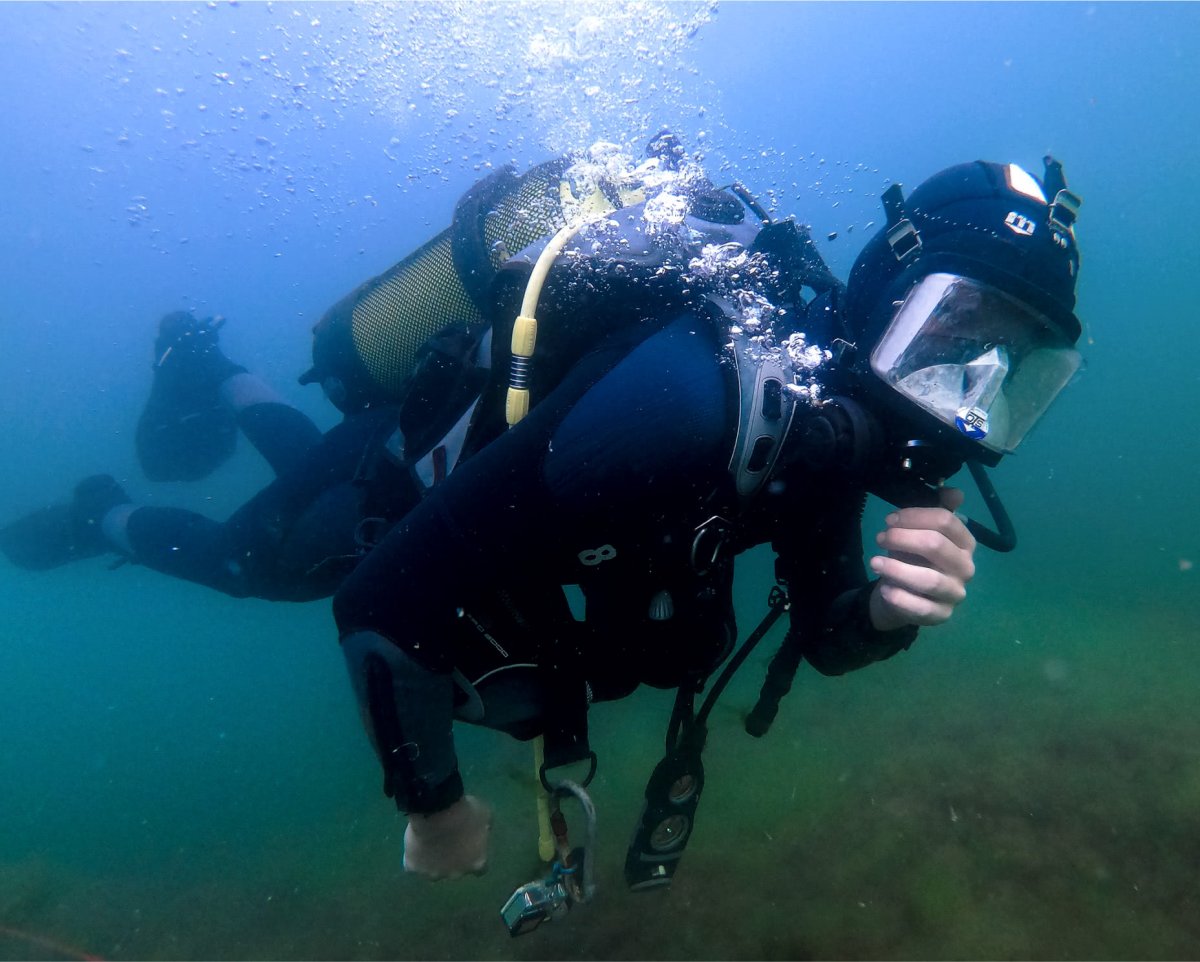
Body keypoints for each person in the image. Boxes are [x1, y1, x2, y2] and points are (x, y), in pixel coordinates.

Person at [324, 152, 1086, 896]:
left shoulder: (828, 422)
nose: (972, 385)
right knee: (253, 559)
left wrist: (888, 612)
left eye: (1011, 357)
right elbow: (377, 598)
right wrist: (435, 811)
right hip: (387, 479)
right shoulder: (691, 399)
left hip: (524, 533)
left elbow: (827, 632)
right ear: (891, 290)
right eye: (957, 324)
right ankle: (224, 381)